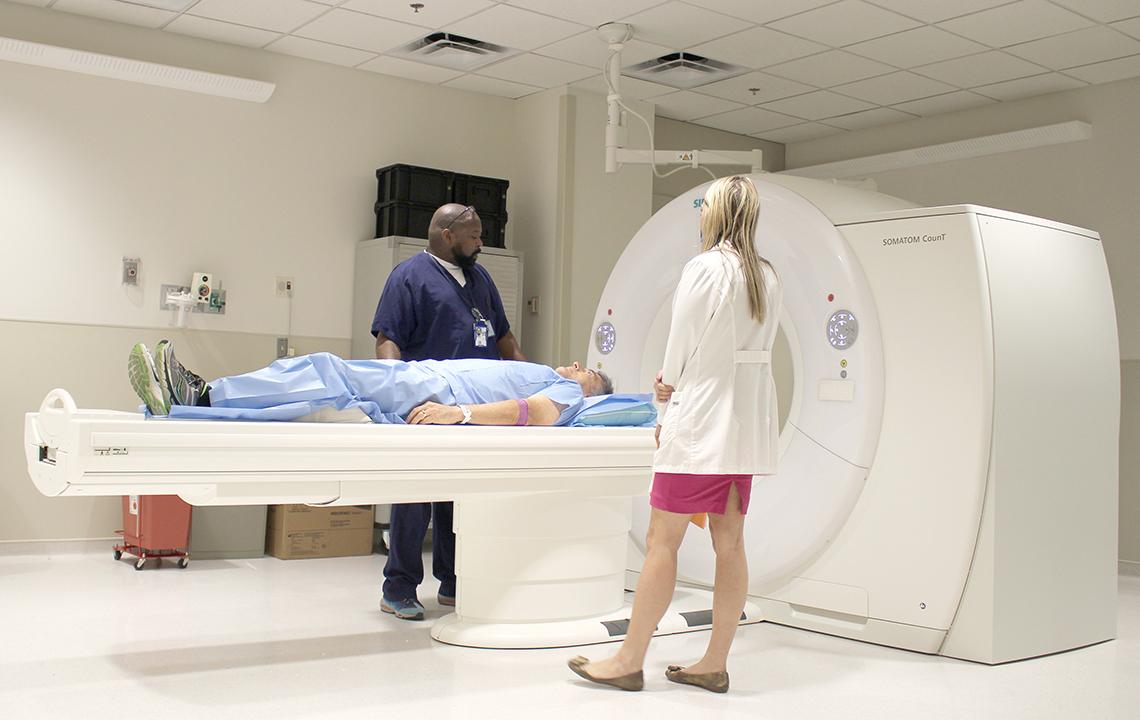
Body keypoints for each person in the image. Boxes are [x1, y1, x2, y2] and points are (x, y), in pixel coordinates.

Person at [567, 176, 782, 694]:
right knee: (731, 544)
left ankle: (628, 660)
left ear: (716, 214)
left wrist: (665, 387)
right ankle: (713, 661)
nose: (700, 213)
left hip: (701, 423)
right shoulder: (766, 275)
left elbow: (682, 339)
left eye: (703, 206)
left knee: (663, 540)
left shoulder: (706, 267)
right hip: (742, 429)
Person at [371, 202, 528, 620]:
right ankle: (399, 587)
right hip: (427, 407)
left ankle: (454, 582)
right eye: (474, 236)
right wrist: (397, 393)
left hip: (473, 409)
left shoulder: (480, 278)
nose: (480, 242)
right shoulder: (408, 277)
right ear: (447, 235)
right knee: (415, 497)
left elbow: (505, 339)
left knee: (460, 499)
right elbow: (388, 341)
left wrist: (528, 381)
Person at [128, 342, 611, 425]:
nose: (575, 365)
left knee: (328, 372)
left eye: (586, 370)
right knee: (326, 372)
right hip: (429, 376)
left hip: (436, 393)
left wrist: (458, 414)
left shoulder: (567, 394)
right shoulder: (547, 371)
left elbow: (537, 415)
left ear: (591, 391)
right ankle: (201, 395)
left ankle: (205, 395)